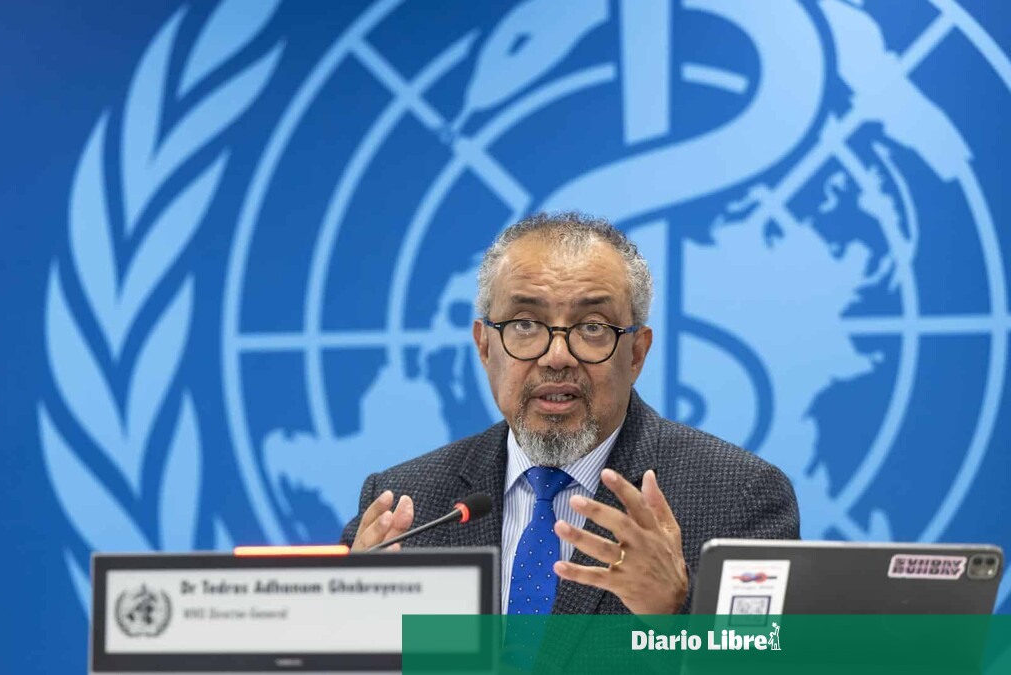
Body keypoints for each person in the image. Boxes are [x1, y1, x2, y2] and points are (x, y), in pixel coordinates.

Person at [341, 211, 798, 616]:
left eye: (592, 327)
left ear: (636, 353)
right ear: (484, 346)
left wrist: (677, 609)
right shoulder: (406, 507)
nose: (557, 356)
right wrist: (352, 623)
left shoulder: (739, 497)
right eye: (525, 324)